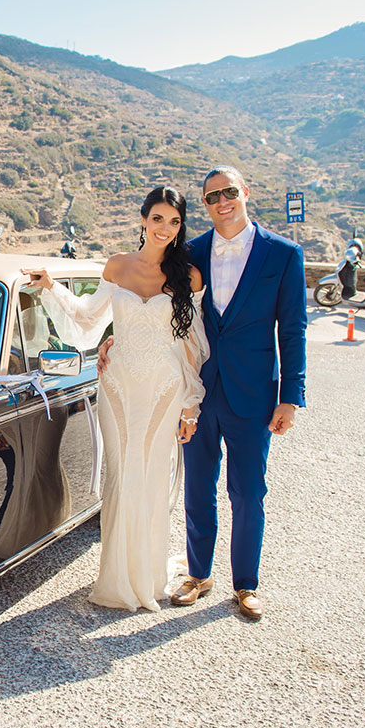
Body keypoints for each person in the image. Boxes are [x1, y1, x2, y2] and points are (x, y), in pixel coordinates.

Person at [104, 166, 307, 621]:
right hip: (192, 391)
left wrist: (290, 396)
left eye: (229, 192)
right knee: (197, 488)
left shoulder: (284, 255)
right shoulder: (188, 254)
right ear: (206, 204)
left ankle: (246, 584)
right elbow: (151, 308)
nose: (222, 202)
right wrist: (113, 339)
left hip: (254, 393)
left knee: (248, 490)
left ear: (245, 192)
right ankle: (197, 574)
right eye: (212, 196)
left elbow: (293, 331)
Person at [22, 186, 208, 612]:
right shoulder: (117, 266)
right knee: (122, 473)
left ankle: (147, 577)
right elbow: (89, 318)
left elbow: (193, 346)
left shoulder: (189, 276)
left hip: (164, 387)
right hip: (118, 384)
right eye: (158, 218)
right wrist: (51, 287)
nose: (165, 228)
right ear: (143, 220)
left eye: (174, 221)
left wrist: (190, 406)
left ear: (180, 227)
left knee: (153, 475)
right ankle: (118, 579)